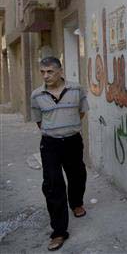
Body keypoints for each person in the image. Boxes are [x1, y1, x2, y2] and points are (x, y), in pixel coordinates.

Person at [30, 57, 89, 251]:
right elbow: (39, 121)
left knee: (77, 175)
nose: (45, 76)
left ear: (60, 71)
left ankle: (76, 202)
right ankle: (59, 232)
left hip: (72, 141)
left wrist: (67, 126)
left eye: (50, 71)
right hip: (50, 144)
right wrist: (54, 129)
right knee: (53, 184)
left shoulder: (76, 89)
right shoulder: (37, 95)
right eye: (42, 72)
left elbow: (81, 112)